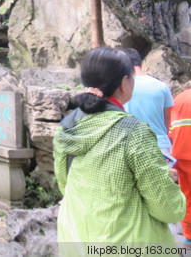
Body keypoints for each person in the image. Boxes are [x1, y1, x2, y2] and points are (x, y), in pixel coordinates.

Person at [54, 46, 185, 248]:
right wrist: (168, 180)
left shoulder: (67, 126)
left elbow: (66, 185)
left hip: (75, 237)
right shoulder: (133, 132)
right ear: (124, 82)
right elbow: (168, 209)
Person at [123, 47, 174, 162]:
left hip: (131, 144)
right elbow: (167, 118)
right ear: (141, 63)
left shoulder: (122, 87)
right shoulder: (162, 86)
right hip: (160, 145)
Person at [170, 86, 191, 245]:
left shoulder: (179, 98)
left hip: (179, 156)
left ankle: (188, 237)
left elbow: (171, 130)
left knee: (186, 195)